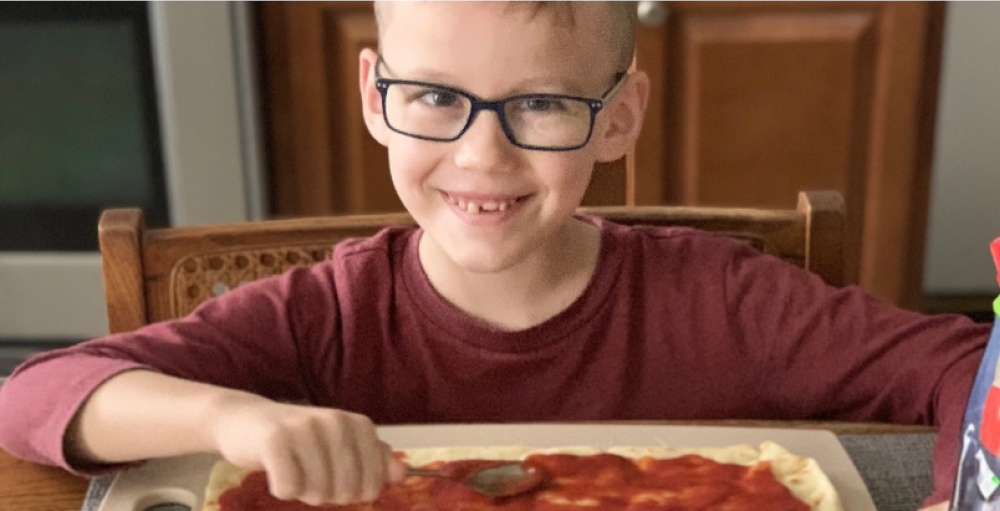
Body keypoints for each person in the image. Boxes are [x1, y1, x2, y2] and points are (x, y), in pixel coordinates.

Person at [0, 3, 988, 510]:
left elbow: (962, 366)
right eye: (433, 97)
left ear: (619, 118)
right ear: (371, 93)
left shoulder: (724, 300)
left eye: (544, 103)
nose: (482, 154)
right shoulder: (324, 314)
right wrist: (231, 417)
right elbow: (35, 396)